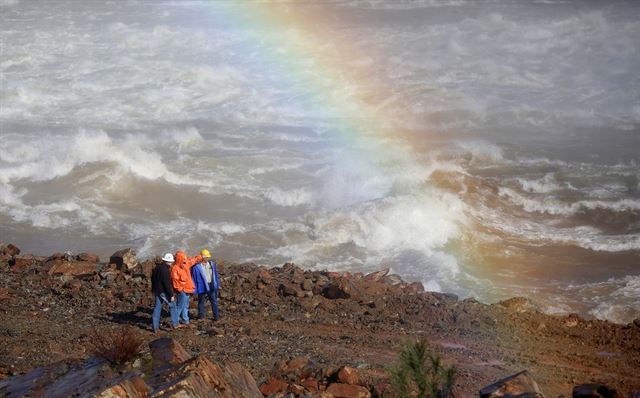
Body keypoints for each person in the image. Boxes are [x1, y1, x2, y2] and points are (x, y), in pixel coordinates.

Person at [171, 250, 203, 326]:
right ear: (179, 260)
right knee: (180, 306)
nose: (185, 261)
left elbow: (193, 260)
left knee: (185, 306)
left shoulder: (186, 264)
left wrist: (201, 257)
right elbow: (175, 282)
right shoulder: (175, 269)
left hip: (187, 289)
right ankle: (176, 322)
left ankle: (186, 320)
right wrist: (181, 290)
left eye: (185, 259)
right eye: (183, 259)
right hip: (182, 291)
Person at [151, 253, 180, 332]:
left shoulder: (157, 268)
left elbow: (152, 280)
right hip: (163, 291)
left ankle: (155, 327)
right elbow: (166, 284)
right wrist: (171, 295)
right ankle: (176, 324)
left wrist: (153, 290)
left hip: (157, 291)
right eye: (170, 262)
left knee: (157, 308)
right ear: (167, 262)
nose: (171, 263)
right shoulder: (165, 271)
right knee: (173, 306)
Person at [191, 249, 221, 321]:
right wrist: (193, 288)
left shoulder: (212, 264)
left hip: (211, 285)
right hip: (202, 286)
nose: (208, 258)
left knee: (214, 301)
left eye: (208, 257)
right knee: (201, 301)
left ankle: (216, 317)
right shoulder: (196, 267)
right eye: (206, 257)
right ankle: (201, 317)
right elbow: (194, 278)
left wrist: (217, 284)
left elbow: (215, 275)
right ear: (202, 257)